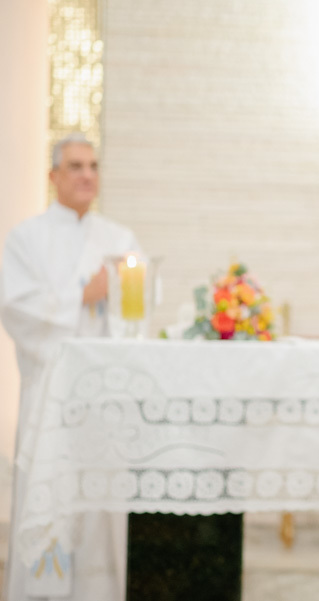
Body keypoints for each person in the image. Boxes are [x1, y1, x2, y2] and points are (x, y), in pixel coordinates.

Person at [0, 133, 138, 601]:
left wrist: (120, 296)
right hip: (50, 397)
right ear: (53, 176)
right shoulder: (26, 239)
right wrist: (83, 295)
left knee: (99, 509)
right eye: (76, 166)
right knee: (51, 498)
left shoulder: (119, 239)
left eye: (94, 166)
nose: (87, 175)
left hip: (104, 397)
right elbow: (16, 307)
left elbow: (137, 312)